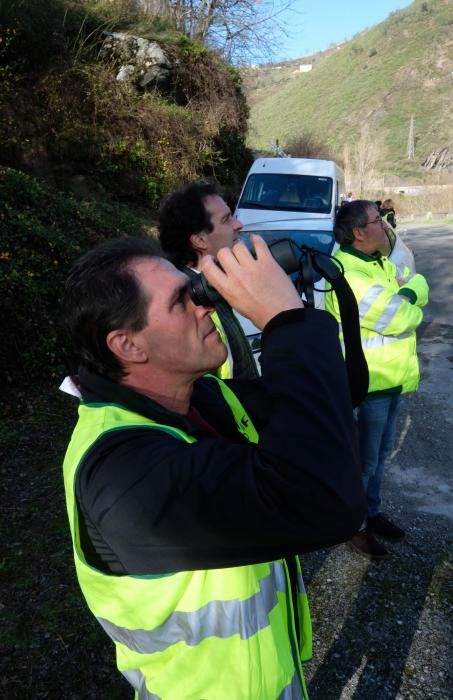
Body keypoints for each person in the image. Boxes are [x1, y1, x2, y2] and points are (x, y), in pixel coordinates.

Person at [62, 235, 366, 699]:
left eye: (195, 290)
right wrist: (285, 322)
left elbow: (333, 401)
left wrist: (297, 307)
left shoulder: (204, 397)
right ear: (128, 345)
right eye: (182, 303)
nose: (206, 307)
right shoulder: (123, 473)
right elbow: (327, 499)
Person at [326, 201, 429, 559]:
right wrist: (409, 298)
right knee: (363, 462)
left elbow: (416, 284)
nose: (385, 226)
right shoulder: (350, 275)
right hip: (369, 385)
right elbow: (400, 318)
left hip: (390, 380)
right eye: (377, 221)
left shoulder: (378, 263)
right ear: (358, 232)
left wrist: (408, 293)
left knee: (380, 456)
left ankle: (370, 513)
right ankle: (353, 526)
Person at [158, 181, 259, 379]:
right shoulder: (188, 302)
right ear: (199, 240)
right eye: (226, 219)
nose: (238, 225)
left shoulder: (210, 285)